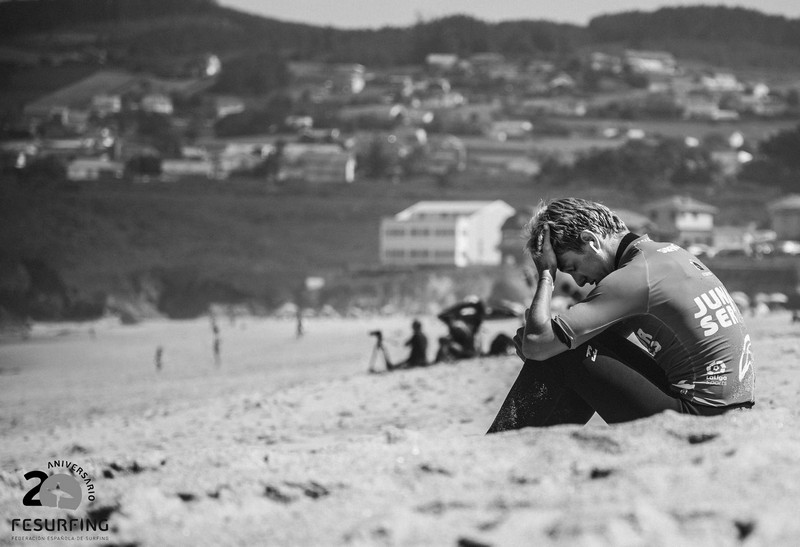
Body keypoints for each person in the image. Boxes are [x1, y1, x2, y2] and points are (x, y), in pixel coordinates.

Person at [487, 198, 755, 433]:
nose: (579, 281)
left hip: (701, 415)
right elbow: (590, 340)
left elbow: (538, 343)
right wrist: (546, 345)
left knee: (565, 350)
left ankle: (502, 446)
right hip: (729, 408)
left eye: (573, 267)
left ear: (591, 241)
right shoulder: (663, 255)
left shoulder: (634, 276)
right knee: (567, 345)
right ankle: (533, 443)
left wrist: (546, 275)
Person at [434, 298, 485, 362]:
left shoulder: (457, 327)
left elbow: (441, 315)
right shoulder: (458, 325)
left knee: (445, 341)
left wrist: (462, 305)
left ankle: (442, 359)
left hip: (467, 351)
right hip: (468, 349)